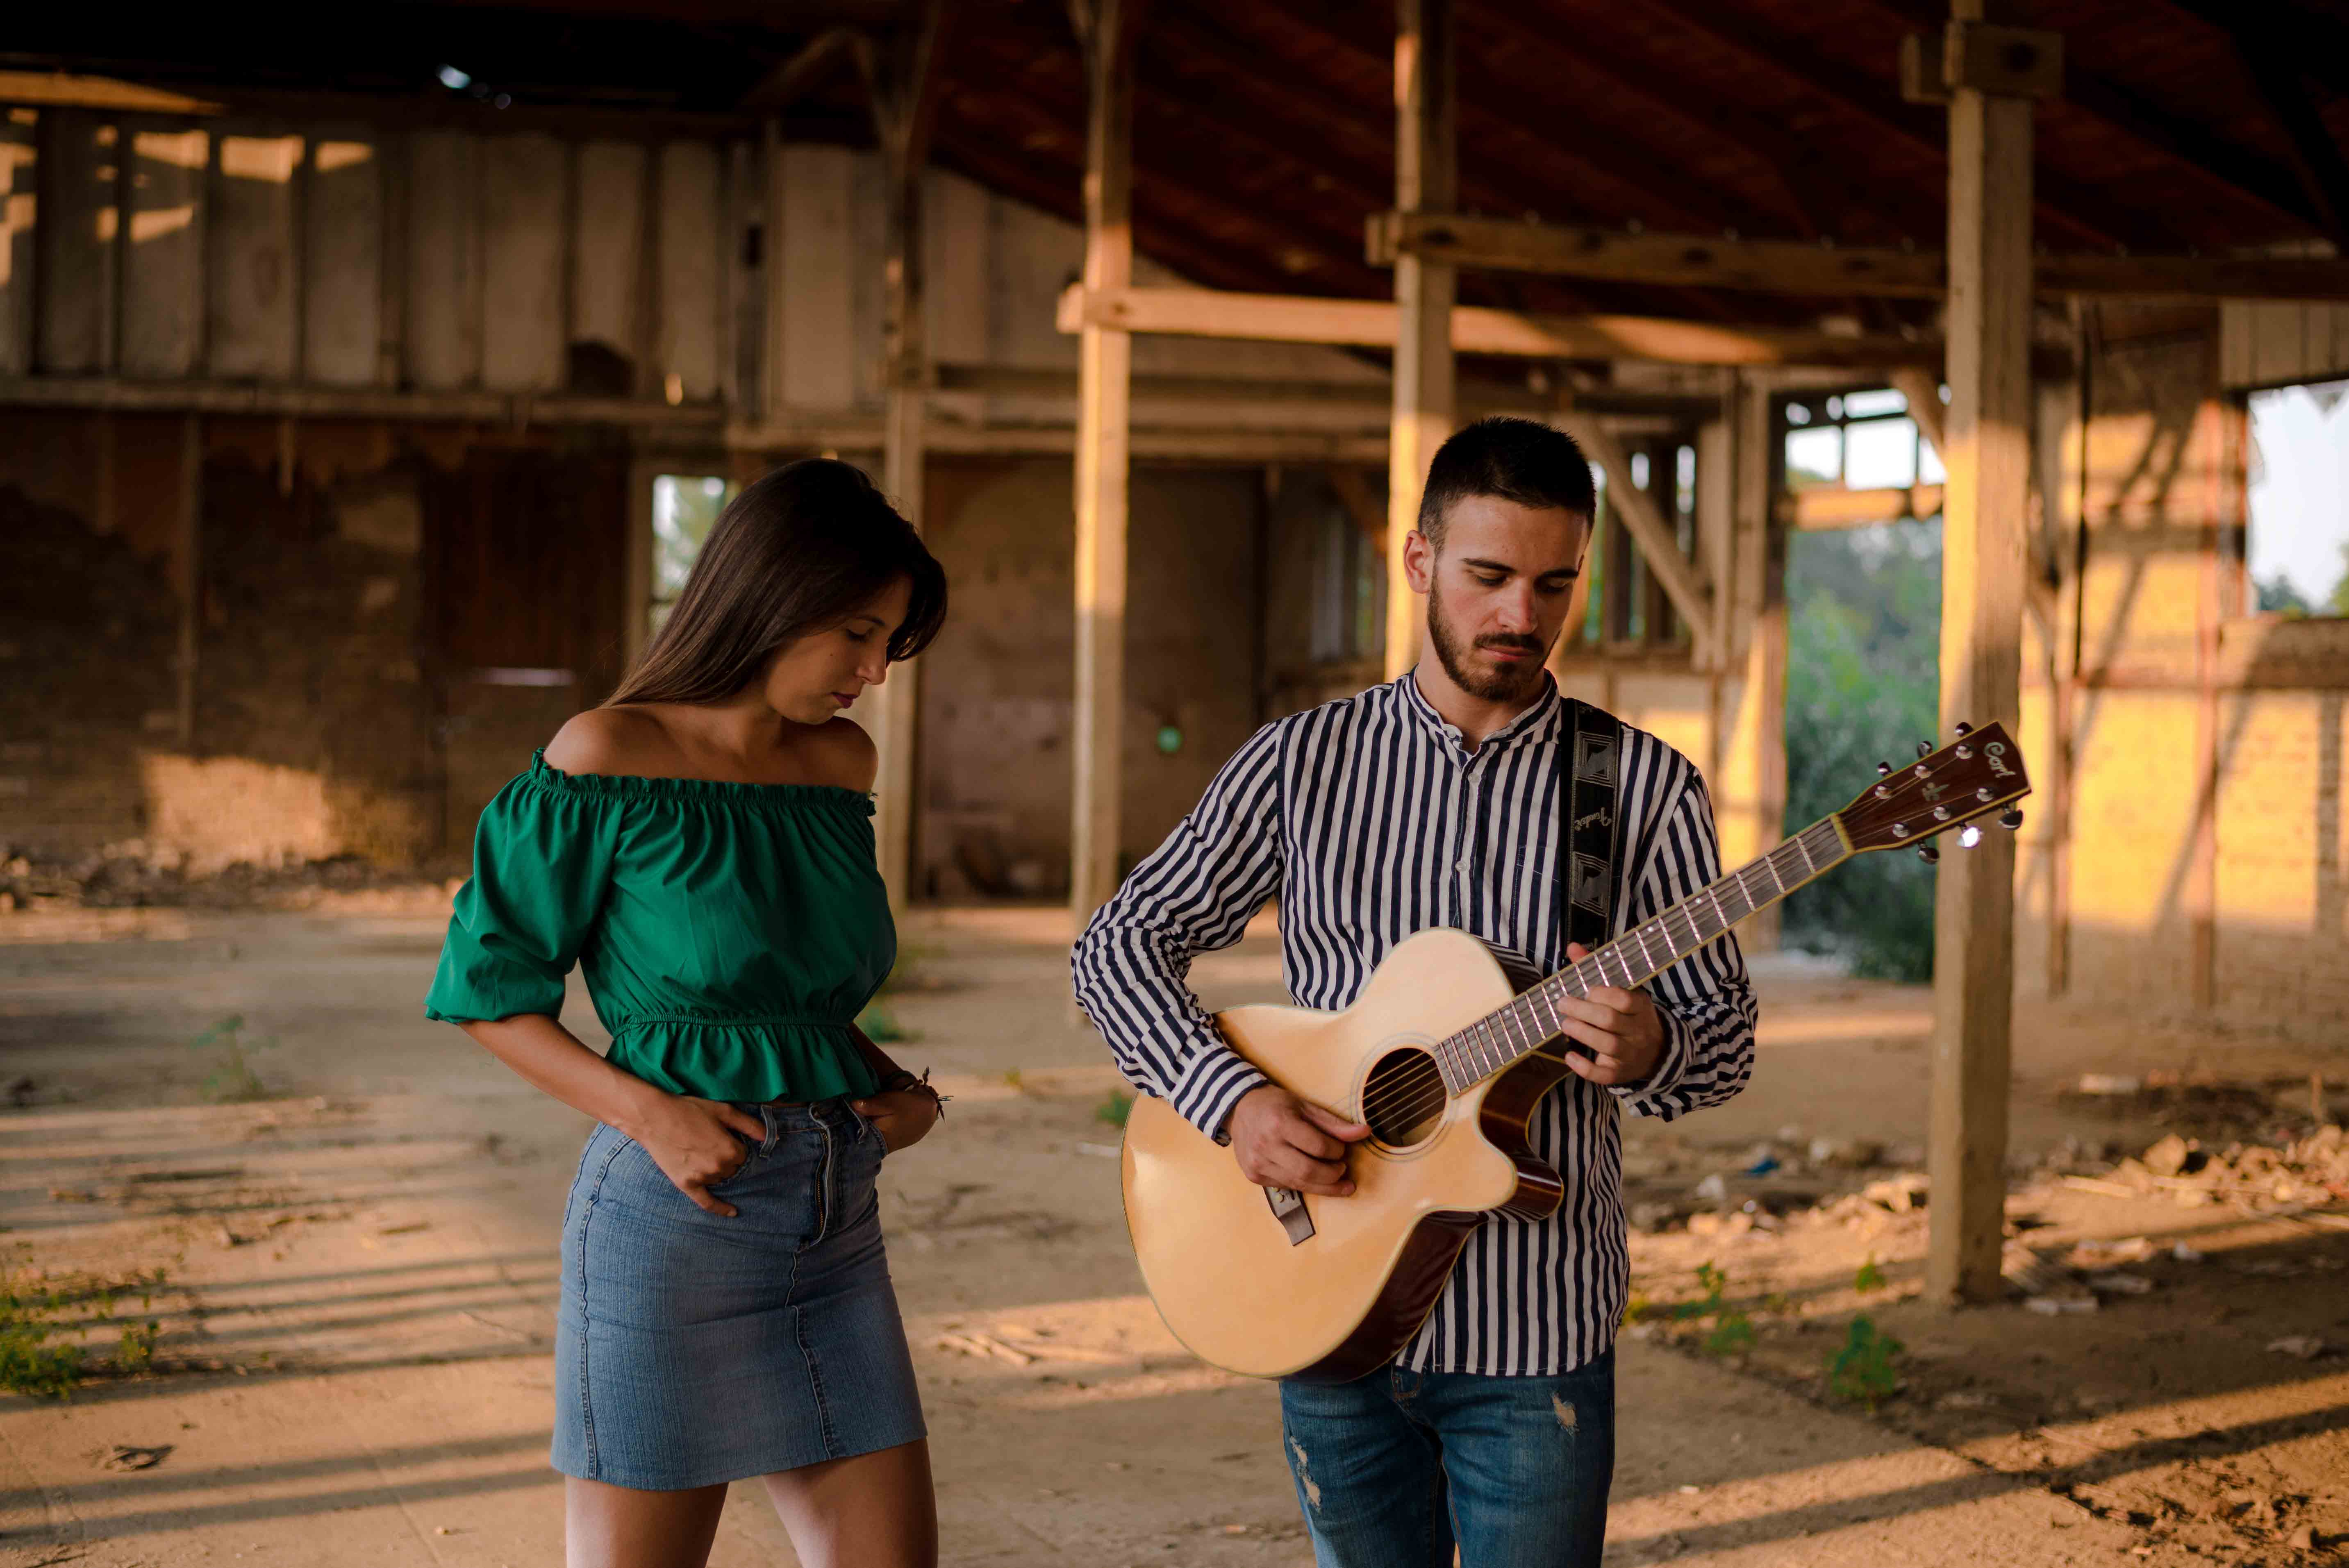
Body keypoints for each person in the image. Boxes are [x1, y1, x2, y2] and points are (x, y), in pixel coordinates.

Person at [1072, 416, 1758, 1567]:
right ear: (1419, 560)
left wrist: (1653, 1050)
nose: (1520, 616)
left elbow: (1723, 1044)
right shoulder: (1301, 762)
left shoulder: (1641, 787)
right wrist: (1234, 1104)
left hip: (1534, 1327)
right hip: (1322, 1296)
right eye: (1488, 577)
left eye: (1554, 584)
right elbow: (1118, 946)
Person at [425, 458, 950, 1568]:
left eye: (889, 643)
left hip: (836, 1221)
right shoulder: (605, 755)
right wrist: (650, 1116)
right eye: (858, 634)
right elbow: (489, 995)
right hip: (677, 1222)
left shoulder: (838, 765)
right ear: (773, 598)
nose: (874, 671)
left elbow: (789, 998)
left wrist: (893, 1088)